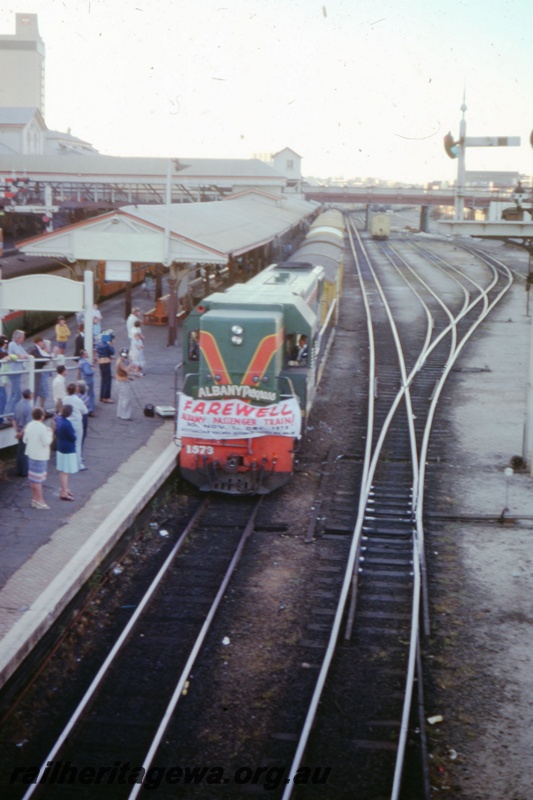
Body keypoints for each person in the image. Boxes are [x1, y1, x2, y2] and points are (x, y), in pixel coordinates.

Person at [23, 406, 53, 509]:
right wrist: (50, 433)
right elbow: (46, 442)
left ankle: (34, 499)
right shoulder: (42, 428)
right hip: (40, 456)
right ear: (42, 416)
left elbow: (25, 440)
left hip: (31, 455)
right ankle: (40, 501)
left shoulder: (29, 425)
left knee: (33, 479)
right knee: (38, 481)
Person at [55, 404, 78, 501]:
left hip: (60, 447)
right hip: (67, 449)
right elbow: (73, 437)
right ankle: (64, 492)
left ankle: (64, 489)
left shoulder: (59, 420)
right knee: (65, 471)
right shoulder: (67, 423)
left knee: (62, 470)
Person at [63, 383, 88, 470]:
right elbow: (85, 411)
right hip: (77, 422)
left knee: (68, 442)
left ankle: (67, 462)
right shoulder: (78, 400)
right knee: (77, 444)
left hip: (67, 422)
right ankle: (78, 464)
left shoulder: (65, 399)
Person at [5, 330, 30, 416]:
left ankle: (8, 412)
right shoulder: (13, 344)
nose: (24, 338)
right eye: (23, 337)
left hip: (17, 371)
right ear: (18, 338)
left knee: (13, 394)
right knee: (17, 395)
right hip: (13, 372)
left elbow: (26, 355)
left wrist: (25, 356)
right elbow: (21, 356)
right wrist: (25, 356)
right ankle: (10, 413)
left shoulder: (18, 345)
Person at [27, 335, 52, 410]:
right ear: (38, 342)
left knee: (36, 390)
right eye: (42, 342)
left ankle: (33, 407)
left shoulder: (36, 349)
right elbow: (39, 357)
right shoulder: (34, 349)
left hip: (37, 371)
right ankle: (31, 407)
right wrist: (49, 358)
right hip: (35, 371)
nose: (43, 343)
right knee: (35, 390)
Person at [13, 389, 33, 476]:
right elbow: (27, 423)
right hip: (24, 431)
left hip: (18, 430)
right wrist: (21, 432)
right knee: (25, 451)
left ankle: (18, 470)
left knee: (19, 451)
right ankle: (24, 471)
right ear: (29, 396)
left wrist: (17, 431)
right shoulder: (29, 408)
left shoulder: (18, 405)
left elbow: (14, 420)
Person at [97, 332, 115, 403]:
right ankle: (106, 397)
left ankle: (102, 396)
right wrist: (112, 345)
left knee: (103, 379)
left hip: (100, 362)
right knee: (108, 379)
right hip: (106, 362)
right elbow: (112, 352)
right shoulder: (107, 345)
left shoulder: (99, 344)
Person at [115, 348, 133, 420]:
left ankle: (120, 413)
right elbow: (126, 370)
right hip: (122, 382)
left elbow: (124, 371)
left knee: (121, 398)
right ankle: (125, 415)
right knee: (126, 398)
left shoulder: (120, 360)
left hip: (120, 380)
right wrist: (131, 362)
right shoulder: (121, 362)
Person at [78, 350, 96, 415]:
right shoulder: (85, 363)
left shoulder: (81, 361)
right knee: (91, 395)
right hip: (89, 379)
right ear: (83, 355)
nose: (87, 354)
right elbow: (87, 372)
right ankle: (91, 409)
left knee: (85, 394)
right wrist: (93, 371)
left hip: (84, 379)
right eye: (86, 353)